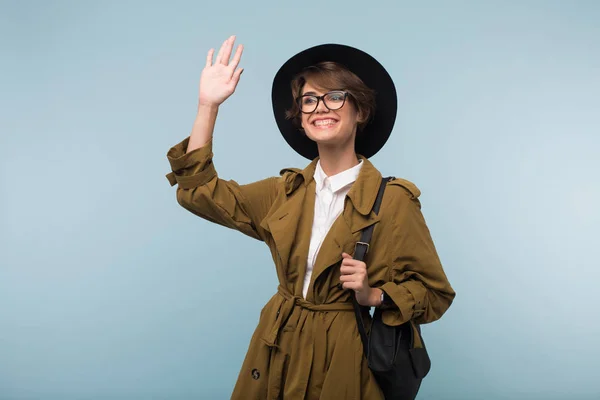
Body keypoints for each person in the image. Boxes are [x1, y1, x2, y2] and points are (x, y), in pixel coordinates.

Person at [165, 36, 455, 400]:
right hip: (275, 347)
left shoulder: (394, 202)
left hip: (344, 360)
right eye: (309, 100)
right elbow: (198, 193)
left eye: (335, 96)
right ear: (301, 119)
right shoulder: (282, 192)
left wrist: (374, 294)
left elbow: (435, 293)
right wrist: (207, 106)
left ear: (360, 111)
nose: (321, 107)